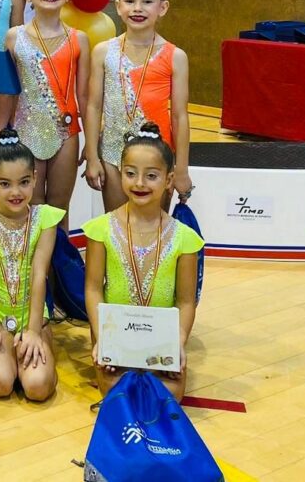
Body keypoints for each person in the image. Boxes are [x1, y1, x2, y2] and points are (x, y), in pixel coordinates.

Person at [84, 123, 204, 401]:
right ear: (121, 174)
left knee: (167, 396)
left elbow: (186, 301)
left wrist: (178, 343)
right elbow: (92, 288)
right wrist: (103, 337)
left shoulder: (184, 238)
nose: (139, 183)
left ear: (169, 179)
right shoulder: (101, 229)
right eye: (130, 173)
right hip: (115, 338)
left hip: (161, 341)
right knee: (118, 393)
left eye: (151, 175)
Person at [84, 0, 192, 210]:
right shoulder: (102, 51)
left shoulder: (175, 56)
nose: (138, 8)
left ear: (162, 7)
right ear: (118, 6)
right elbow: (93, 107)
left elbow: (179, 116)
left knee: (153, 229)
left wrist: (182, 169)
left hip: (158, 155)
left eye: (147, 1)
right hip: (113, 154)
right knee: (116, 227)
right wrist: (91, 156)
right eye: (130, 1)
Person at [0, 129, 62, 401]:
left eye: (24, 182)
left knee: (37, 387)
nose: (16, 192)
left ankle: (42, 337)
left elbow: (39, 273)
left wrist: (32, 330)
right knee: (0, 383)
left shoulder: (45, 219)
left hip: (32, 315)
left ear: (35, 179)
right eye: (5, 183)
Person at [3, 0, 90, 227]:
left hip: (66, 133)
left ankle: (58, 269)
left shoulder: (79, 38)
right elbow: (9, 92)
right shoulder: (14, 37)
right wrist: (0, 132)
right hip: (26, 130)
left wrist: (92, 144)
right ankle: (34, 268)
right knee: (32, 205)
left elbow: (84, 95)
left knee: (59, 208)